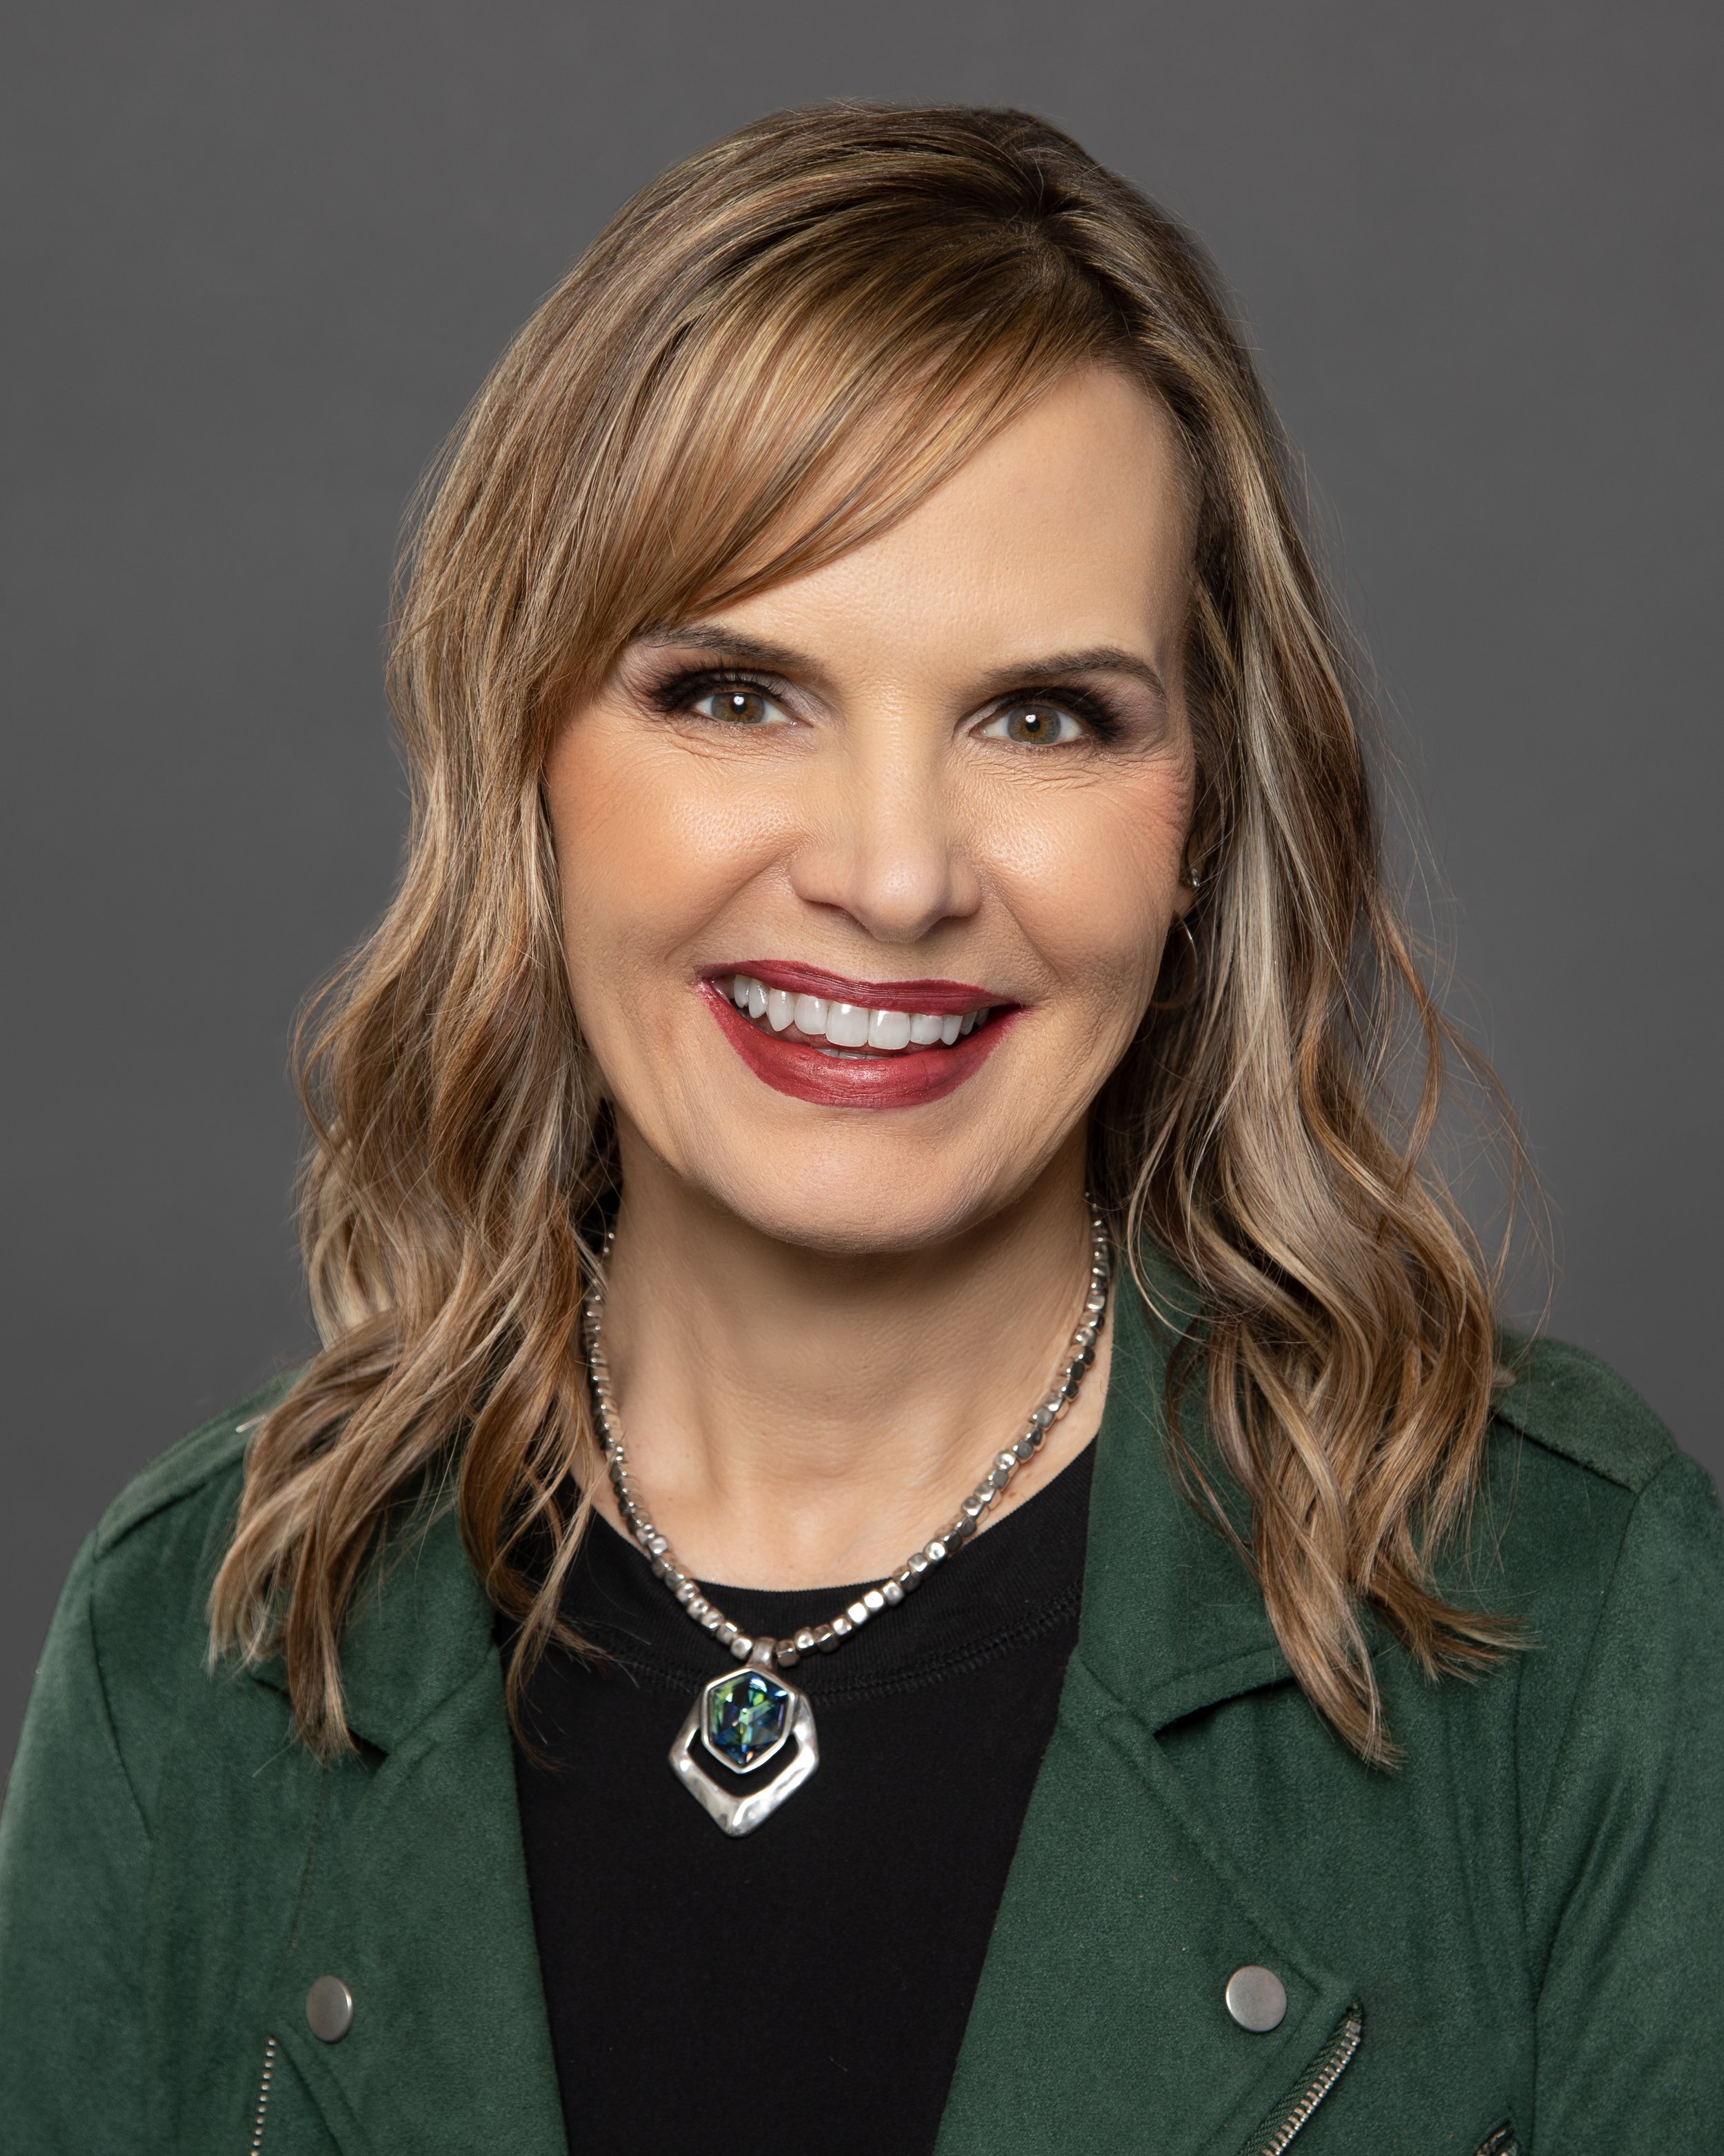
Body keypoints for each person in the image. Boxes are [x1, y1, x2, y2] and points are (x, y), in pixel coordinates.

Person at [1, 101, 1718, 2156]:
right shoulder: (191, 1645)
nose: (893, 875)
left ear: (1203, 827)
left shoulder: (1577, 1618)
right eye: (735, 691)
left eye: (1043, 716)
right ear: (524, 756)